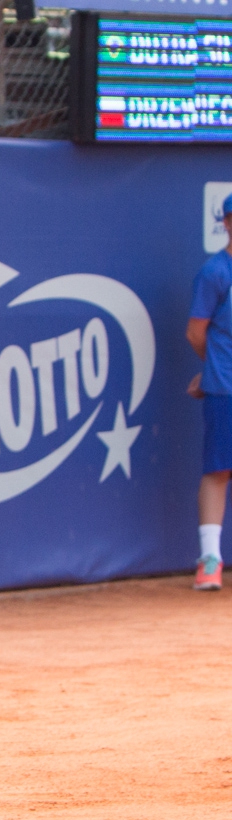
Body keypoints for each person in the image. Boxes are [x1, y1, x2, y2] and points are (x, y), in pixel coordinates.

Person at [186, 191, 232, 592]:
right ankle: (210, 559)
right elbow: (196, 332)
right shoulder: (215, 272)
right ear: (228, 224)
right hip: (227, 389)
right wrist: (213, 370)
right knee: (219, 470)